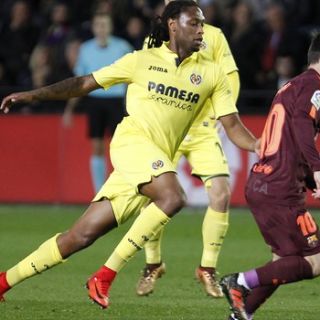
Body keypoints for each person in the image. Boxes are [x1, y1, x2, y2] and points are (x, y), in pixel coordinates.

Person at [0, 0, 258, 309]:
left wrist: (258, 146)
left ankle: (4, 281)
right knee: (173, 197)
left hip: (153, 160)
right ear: (173, 25)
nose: (202, 30)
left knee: (78, 237)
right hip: (131, 144)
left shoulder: (212, 73)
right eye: (195, 23)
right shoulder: (141, 60)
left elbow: (232, 124)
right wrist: (32, 95)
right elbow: (83, 83)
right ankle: (105, 276)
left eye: (203, 24)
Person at [218, 30, 320, 320]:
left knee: (284, 262)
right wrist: (319, 170)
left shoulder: (291, 87)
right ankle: (239, 282)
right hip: (279, 188)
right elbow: (303, 126)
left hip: (262, 183)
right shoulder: (316, 87)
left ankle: (241, 315)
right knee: (317, 260)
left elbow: (292, 147)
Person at [135, 0, 241, 299]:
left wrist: (223, 110)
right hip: (168, 128)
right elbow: (144, 79)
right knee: (154, 196)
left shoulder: (214, 35)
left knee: (221, 192)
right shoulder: (153, 40)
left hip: (202, 129)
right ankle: (153, 263)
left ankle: (207, 268)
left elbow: (230, 76)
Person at [63, 12, 133, 193]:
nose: (101, 28)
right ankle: (99, 192)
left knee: (121, 147)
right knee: (97, 146)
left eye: (105, 24)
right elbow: (79, 82)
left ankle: (125, 188)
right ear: (94, 28)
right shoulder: (85, 49)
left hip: (117, 101)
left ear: (110, 27)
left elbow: (133, 77)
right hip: (94, 101)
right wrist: (70, 108)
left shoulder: (122, 47)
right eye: (98, 25)